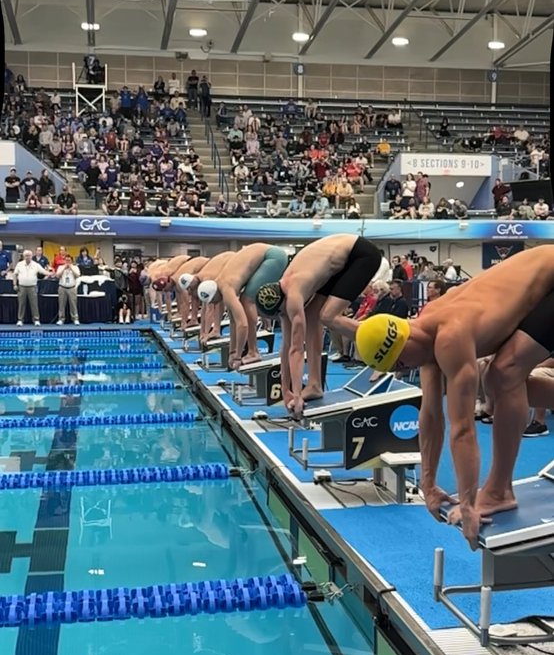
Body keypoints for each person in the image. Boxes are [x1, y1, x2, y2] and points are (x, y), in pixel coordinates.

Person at [354, 246, 554, 550]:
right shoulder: (422, 334)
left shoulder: (450, 337)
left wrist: (469, 504)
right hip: (542, 282)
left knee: (504, 373)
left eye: (400, 365)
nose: (404, 370)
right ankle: (498, 489)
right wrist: (429, 485)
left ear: (404, 346)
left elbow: (462, 429)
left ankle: (499, 491)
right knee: (498, 379)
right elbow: (431, 415)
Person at [255, 234, 385, 416]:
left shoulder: (293, 297)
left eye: (281, 313)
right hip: (335, 262)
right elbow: (286, 347)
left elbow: (297, 350)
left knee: (328, 316)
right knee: (312, 315)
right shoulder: (282, 296)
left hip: (361, 254)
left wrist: (297, 395)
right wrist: (285, 389)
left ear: (282, 303)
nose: (283, 317)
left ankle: (385, 345)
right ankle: (314, 385)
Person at [191, 243, 289, 370]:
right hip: (269, 255)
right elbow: (233, 322)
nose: (214, 304)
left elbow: (242, 325)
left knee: (247, 300)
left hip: (273, 256)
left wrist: (237, 356)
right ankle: (286, 319)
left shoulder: (226, 288)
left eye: (213, 301)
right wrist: (232, 352)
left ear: (214, 293)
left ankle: (253, 351)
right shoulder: (220, 284)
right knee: (248, 302)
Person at [13, 250, 51, 326]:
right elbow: (15, 274)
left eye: (29, 255)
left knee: (34, 304)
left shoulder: (36, 265)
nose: (28, 257)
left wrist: (51, 273)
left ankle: (36, 320)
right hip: (22, 287)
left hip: (32, 287)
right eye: (26, 255)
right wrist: (14, 284)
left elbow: (43, 272)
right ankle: (20, 320)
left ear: (31, 256)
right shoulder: (19, 264)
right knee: (21, 304)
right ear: (24, 256)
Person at [56, 254, 80, 325]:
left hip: (72, 288)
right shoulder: (61, 267)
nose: (67, 262)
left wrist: (71, 268)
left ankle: (75, 319)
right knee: (61, 304)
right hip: (62, 288)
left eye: (69, 260)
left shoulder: (75, 267)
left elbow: (77, 275)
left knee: (73, 304)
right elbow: (57, 275)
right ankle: (61, 319)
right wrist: (64, 268)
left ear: (71, 261)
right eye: (66, 260)